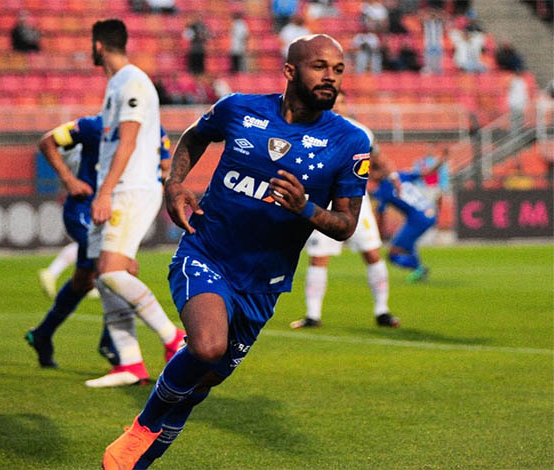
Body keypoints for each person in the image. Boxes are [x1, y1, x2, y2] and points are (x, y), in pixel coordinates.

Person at [102, 34, 371, 469]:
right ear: (290, 72)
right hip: (206, 254)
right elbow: (193, 137)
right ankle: (143, 426)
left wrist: (305, 207)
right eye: (320, 66)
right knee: (207, 347)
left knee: (203, 381)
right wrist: (175, 185)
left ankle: (136, 461)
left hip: (263, 285)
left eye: (338, 70)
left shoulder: (350, 142)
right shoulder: (239, 109)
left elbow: (345, 225)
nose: (331, 77)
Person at [26, 113, 176, 369]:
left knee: (83, 281)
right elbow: (47, 142)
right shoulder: (94, 125)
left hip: (118, 215)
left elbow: (163, 169)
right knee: (122, 270)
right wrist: (69, 179)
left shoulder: (155, 131)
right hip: (84, 211)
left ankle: (42, 334)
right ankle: (114, 343)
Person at [86, 19, 186, 388]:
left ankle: (174, 339)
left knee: (111, 272)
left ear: (98, 46)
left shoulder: (132, 82)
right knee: (110, 276)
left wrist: (105, 191)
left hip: (130, 188)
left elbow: (127, 143)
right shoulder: (116, 84)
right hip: (119, 187)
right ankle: (130, 364)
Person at [290, 90, 399, 329]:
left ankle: (382, 311)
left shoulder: (361, 132)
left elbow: (379, 159)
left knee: (372, 253)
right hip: (324, 203)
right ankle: (313, 315)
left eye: (341, 102)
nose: (336, 107)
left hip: (355, 202)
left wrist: (392, 175)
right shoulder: (312, 130)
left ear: (347, 106)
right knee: (319, 258)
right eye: (333, 102)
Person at [370, 159, 443, 283]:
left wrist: (378, 236)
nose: (370, 176)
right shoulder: (400, 175)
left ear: (380, 172)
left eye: (371, 172)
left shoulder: (383, 190)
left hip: (418, 218)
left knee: (393, 254)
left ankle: (418, 268)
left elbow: (381, 216)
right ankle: (418, 271)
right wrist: (441, 160)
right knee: (408, 246)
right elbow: (426, 173)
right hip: (428, 212)